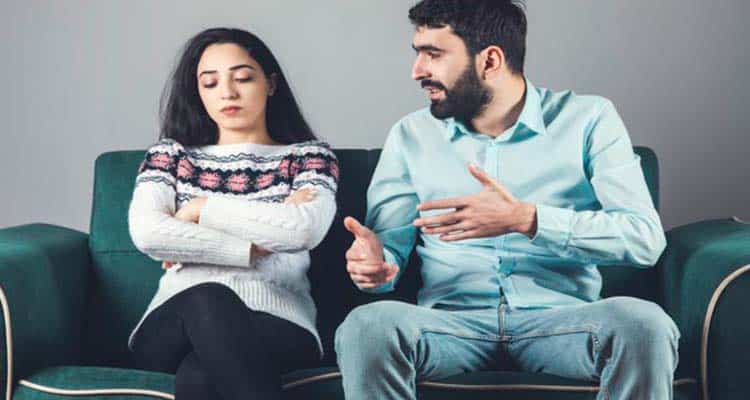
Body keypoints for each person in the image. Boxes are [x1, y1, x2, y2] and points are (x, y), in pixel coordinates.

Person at [335, 1, 679, 399]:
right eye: (418, 53)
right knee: (367, 326)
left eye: (434, 54)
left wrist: (527, 219)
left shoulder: (589, 119)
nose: (417, 71)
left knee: (644, 325)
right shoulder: (410, 135)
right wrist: (376, 266)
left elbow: (644, 238)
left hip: (565, 321)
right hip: (449, 326)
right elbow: (388, 251)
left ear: (490, 61)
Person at [127, 27, 339, 400]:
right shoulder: (171, 156)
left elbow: (303, 231)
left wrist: (200, 209)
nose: (227, 92)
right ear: (198, 93)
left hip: (280, 322)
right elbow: (149, 232)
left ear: (271, 84)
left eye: (242, 78)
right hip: (172, 325)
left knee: (200, 373)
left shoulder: (309, 157)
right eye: (210, 83)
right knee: (208, 297)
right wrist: (249, 247)